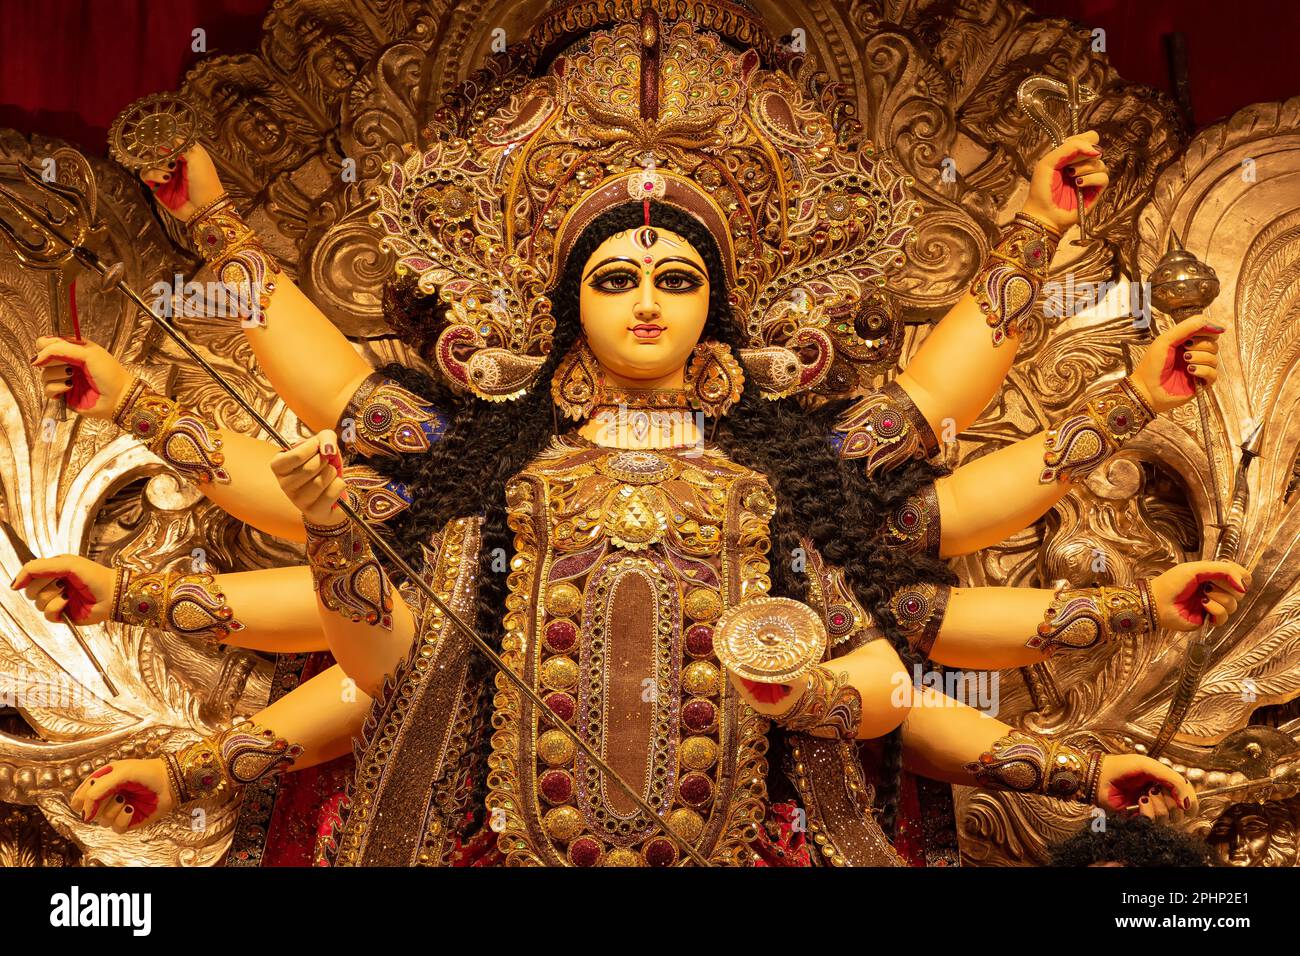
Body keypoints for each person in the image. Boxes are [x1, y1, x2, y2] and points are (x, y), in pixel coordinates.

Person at [12, 15, 1246, 866]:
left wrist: (1082, 742)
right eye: (613, 276)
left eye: (674, 274)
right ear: (565, 303)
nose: (646, 299)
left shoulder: (800, 478)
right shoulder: (468, 468)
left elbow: (908, 657)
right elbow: (370, 670)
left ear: (722, 297)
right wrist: (159, 397)